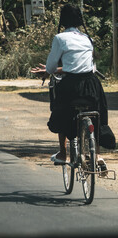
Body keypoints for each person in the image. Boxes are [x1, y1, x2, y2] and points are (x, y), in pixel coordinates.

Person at [31, 4, 109, 166]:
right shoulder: (88, 39)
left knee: (60, 111)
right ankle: (98, 155)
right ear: (80, 20)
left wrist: (48, 71)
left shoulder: (60, 38)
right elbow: (89, 66)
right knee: (98, 113)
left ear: (62, 20)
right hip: (90, 84)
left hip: (70, 85)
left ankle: (62, 153)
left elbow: (52, 68)